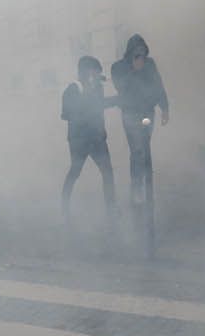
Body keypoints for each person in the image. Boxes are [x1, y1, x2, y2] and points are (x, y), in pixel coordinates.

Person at [109, 34, 169, 207]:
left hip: (147, 113)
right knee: (137, 151)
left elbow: (158, 86)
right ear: (130, 53)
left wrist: (165, 108)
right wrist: (133, 71)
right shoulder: (119, 67)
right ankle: (136, 187)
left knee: (145, 148)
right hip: (130, 114)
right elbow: (121, 87)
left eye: (143, 53)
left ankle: (147, 185)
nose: (141, 57)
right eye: (137, 53)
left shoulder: (150, 65)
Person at [61, 56, 117, 222]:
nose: (96, 75)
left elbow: (99, 105)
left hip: (97, 138)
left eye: (97, 72)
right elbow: (66, 113)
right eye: (94, 71)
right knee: (75, 171)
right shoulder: (73, 89)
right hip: (79, 140)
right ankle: (64, 206)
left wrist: (116, 100)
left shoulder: (97, 88)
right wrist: (89, 98)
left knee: (107, 172)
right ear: (84, 72)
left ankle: (111, 208)